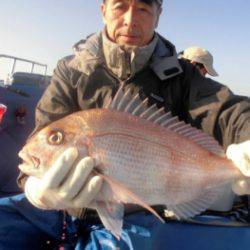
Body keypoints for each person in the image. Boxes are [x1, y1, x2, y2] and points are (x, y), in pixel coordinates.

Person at [0, 0, 250, 249]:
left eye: (142, 8)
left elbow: (229, 111)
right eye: (120, 6)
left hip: (134, 218)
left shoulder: (183, 77)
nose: (130, 19)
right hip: (58, 209)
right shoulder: (71, 70)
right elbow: (46, 128)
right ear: (103, 11)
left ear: (158, 15)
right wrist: (36, 189)